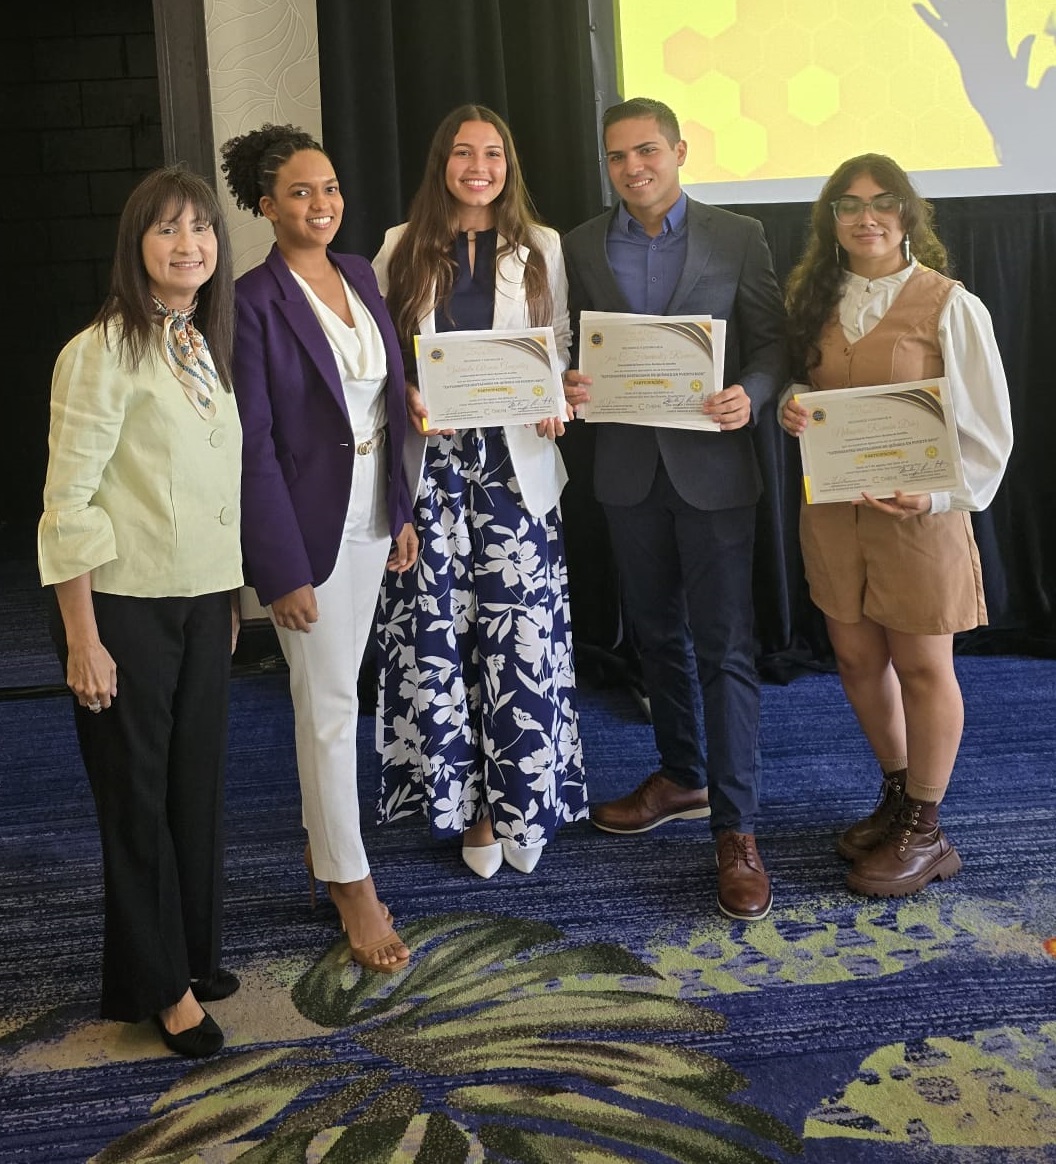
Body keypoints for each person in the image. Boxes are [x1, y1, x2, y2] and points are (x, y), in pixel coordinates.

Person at [562, 97, 787, 922]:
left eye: (647, 151)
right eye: (617, 157)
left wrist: (752, 394)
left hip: (714, 471)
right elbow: (568, 343)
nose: (634, 169)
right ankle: (683, 775)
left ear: (681, 150)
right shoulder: (581, 244)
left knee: (726, 647)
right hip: (627, 472)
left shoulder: (739, 237)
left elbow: (771, 343)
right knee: (657, 636)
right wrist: (570, 381)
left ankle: (736, 829)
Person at [38, 165, 243, 1058]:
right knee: (137, 799)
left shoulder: (201, 339)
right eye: (166, 230)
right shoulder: (99, 349)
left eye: (200, 228)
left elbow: (209, 482)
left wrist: (229, 595)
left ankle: (185, 955)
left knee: (193, 788)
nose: (187, 244)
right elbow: (68, 501)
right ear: (135, 246)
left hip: (201, 598)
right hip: (121, 608)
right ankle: (164, 992)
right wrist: (82, 636)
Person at [781, 152, 1013, 896]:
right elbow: (807, 382)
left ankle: (927, 826)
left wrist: (941, 497)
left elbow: (988, 430)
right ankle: (896, 790)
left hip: (919, 519)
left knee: (922, 667)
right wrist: (792, 399)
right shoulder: (814, 296)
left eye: (882, 202)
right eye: (848, 205)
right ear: (831, 220)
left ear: (908, 213)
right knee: (854, 660)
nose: (865, 216)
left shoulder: (949, 303)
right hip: (834, 513)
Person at [219, 124, 418, 971]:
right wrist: (279, 569)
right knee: (330, 707)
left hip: (375, 514)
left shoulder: (362, 273)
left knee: (339, 694)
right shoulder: (250, 300)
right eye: (301, 192)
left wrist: (400, 508)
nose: (322, 203)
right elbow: (251, 444)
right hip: (307, 532)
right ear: (266, 208)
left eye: (330, 187)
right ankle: (349, 882)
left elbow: (386, 403)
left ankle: (323, 843)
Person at [372, 103, 587, 879]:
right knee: (442, 638)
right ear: (442, 163)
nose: (478, 167)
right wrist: (408, 400)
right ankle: (462, 807)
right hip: (431, 470)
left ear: (509, 165)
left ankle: (516, 805)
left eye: (493, 154)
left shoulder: (541, 248)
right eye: (463, 152)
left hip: (514, 469)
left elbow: (555, 347)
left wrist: (558, 396)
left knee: (518, 637)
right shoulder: (399, 247)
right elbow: (381, 363)